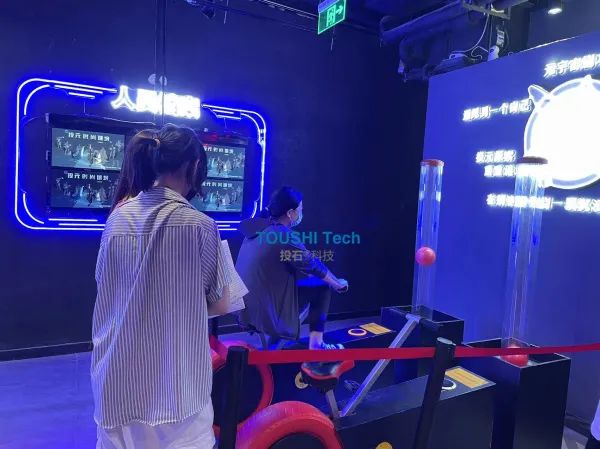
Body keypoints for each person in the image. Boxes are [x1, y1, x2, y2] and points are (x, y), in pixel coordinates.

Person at [92, 124, 231, 449]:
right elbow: (222, 303)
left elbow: (105, 286)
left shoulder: (117, 219)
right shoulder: (200, 225)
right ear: (194, 167)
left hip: (115, 388)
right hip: (177, 395)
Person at [236, 186, 349, 350]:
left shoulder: (258, 227)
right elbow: (312, 264)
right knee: (323, 287)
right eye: (300, 209)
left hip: (246, 308)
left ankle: (274, 344)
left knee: (311, 280)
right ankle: (316, 345)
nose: (301, 213)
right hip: (265, 309)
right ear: (290, 213)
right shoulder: (283, 235)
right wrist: (337, 283)